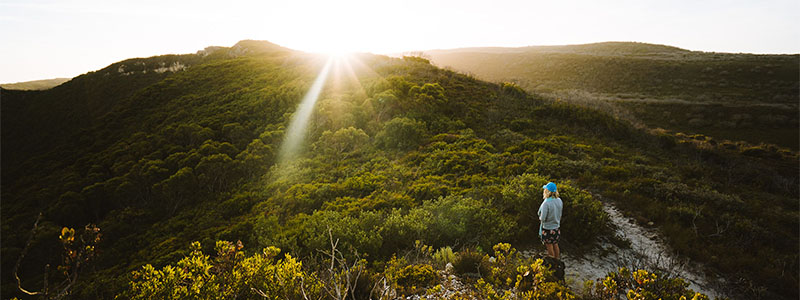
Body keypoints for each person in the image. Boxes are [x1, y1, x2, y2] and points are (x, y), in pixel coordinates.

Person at [538, 182, 563, 259]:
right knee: (555, 244)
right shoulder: (559, 200)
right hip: (556, 227)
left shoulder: (546, 203)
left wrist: (539, 218)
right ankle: (557, 261)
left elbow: (543, 218)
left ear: (547, 191)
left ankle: (552, 264)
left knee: (549, 247)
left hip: (547, 228)